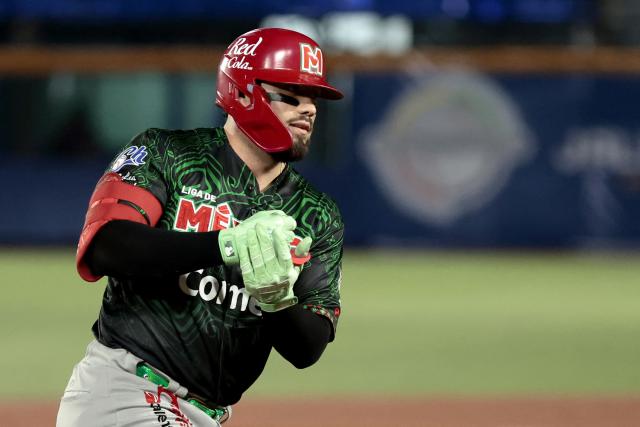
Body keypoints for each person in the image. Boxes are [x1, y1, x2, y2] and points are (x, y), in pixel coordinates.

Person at [57, 27, 344, 427]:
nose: (309, 109)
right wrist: (226, 243)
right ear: (243, 92)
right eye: (291, 95)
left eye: (314, 99)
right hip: (126, 389)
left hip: (205, 415)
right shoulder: (167, 152)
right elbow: (106, 244)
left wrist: (278, 299)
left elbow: (307, 349)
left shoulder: (317, 214)